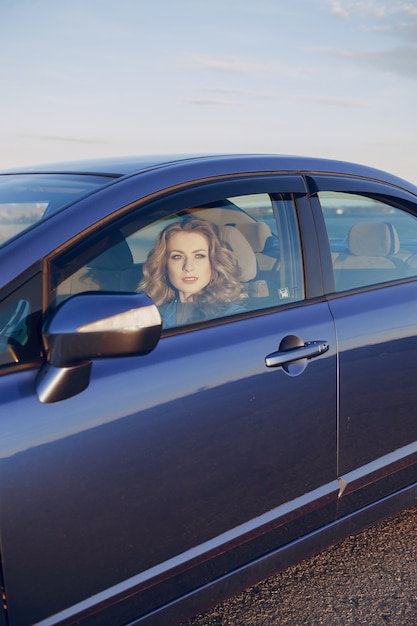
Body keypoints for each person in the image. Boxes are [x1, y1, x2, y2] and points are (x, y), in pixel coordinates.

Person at [139, 218, 247, 328]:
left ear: (214, 263)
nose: (188, 267)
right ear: (165, 265)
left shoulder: (233, 318)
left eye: (199, 256)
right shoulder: (154, 314)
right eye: (177, 257)